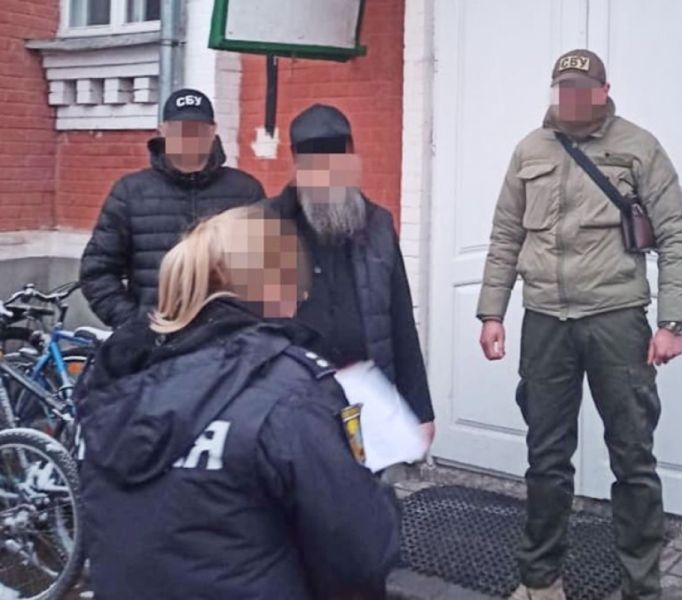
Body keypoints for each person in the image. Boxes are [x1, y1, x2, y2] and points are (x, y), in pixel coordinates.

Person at [76, 205, 401, 600]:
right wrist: (371, 485)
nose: (302, 295)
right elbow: (359, 552)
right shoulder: (289, 391)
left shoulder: (111, 382)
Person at [477, 49, 682, 600]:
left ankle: (641, 588)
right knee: (545, 460)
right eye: (563, 87)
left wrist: (671, 321)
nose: (572, 97)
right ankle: (541, 582)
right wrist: (492, 311)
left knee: (633, 459)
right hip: (545, 321)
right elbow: (506, 236)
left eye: (582, 87)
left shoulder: (639, 147)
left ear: (603, 90)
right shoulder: (530, 150)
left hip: (616, 320)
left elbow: (676, 234)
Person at [267, 103, 435, 446]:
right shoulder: (267, 225)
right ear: (297, 163)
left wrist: (421, 410)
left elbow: (400, 320)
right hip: (293, 402)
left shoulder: (378, 225)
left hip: (370, 400)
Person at [79, 87, 265, 328]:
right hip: (155, 337)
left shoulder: (245, 191)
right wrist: (133, 326)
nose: (189, 138)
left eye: (197, 129)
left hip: (228, 336)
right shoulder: (131, 192)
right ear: (163, 131)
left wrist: (251, 323)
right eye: (180, 130)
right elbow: (97, 271)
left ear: (212, 131)